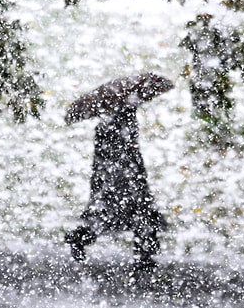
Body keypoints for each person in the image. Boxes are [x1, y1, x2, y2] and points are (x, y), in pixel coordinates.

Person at [65, 105, 167, 271]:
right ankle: (144, 256)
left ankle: (144, 256)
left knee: (120, 214)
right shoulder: (119, 124)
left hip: (117, 180)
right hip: (121, 181)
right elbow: (124, 154)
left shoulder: (111, 123)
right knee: (136, 214)